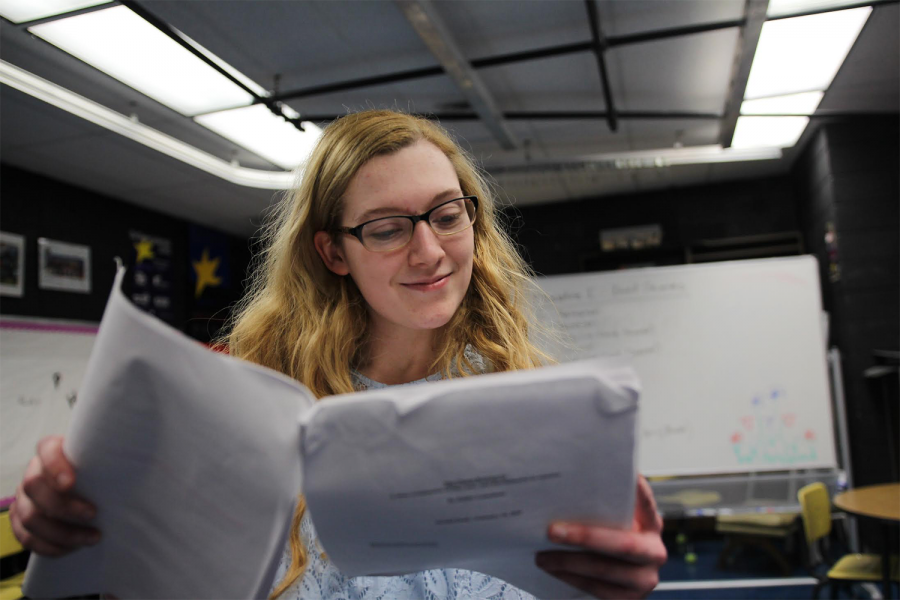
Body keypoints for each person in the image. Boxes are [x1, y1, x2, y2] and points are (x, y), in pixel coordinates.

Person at [10, 110, 667, 599]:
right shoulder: (252, 409)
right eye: (386, 229)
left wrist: (619, 582)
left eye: (446, 214)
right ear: (333, 253)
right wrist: (76, 516)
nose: (430, 252)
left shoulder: (545, 411)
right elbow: (145, 560)